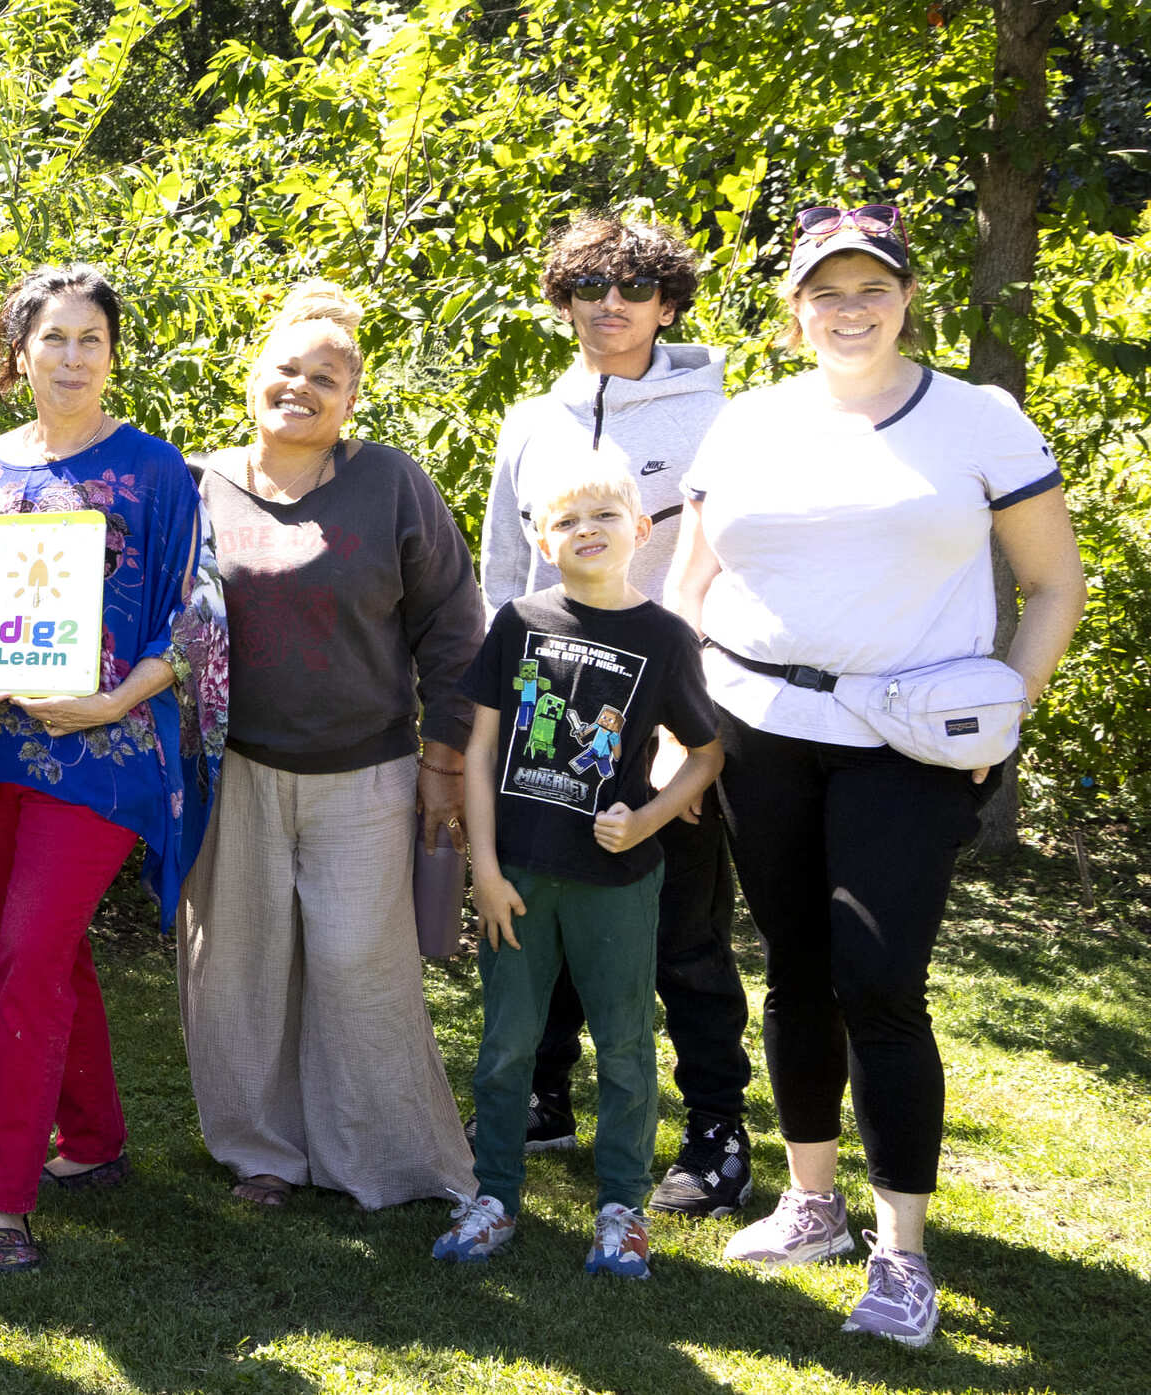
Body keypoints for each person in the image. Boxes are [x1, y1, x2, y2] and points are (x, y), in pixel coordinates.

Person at [670, 205, 1084, 1346]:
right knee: (796, 971)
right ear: (793, 309)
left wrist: (1008, 708)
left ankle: (901, 1255)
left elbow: (1054, 583)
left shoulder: (977, 420)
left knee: (880, 981)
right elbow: (688, 588)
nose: (848, 310)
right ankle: (812, 1205)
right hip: (758, 726)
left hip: (911, 742)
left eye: (871, 289)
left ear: (905, 299)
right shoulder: (747, 422)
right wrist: (682, 728)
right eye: (824, 292)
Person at [0, 265, 229, 1273]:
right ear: (20, 351)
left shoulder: (156, 471)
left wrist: (116, 701)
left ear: (113, 354)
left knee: (29, 955)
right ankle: (92, 1140)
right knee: (41, 950)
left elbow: (200, 614)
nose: (73, 357)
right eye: (54, 338)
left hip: (106, 754)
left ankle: (3, 1202)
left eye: (92, 339)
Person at [178, 279, 483, 1212]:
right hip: (232, 770)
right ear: (250, 378)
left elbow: (454, 624)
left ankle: (380, 1160)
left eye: (325, 377)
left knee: (361, 970)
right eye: (286, 369)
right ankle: (262, 1153)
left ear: (351, 397)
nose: (300, 388)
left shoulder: (391, 483)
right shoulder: (196, 485)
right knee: (238, 971)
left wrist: (444, 758)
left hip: (369, 769)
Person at [477, 212, 757, 1218]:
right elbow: (502, 571)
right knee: (546, 907)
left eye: (633, 288)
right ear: (563, 303)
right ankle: (545, 1095)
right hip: (547, 726)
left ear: (667, 304)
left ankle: (716, 1129)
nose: (610, 306)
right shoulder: (530, 420)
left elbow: (738, 570)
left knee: (683, 935)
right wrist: (498, 717)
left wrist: (689, 735)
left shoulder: (720, 416)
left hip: (671, 722)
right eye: (588, 288)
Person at [432, 460, 723, 1278]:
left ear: (642, 528)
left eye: (604, 514)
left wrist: (647, 818)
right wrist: (484, 871)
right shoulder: (518, 622)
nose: (585, 529)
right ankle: (494, 1196)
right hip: (518, 879)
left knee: (625, 1046)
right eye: (565, 520)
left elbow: (706, 755)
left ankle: (622, 1208)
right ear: (541, 540)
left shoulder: (665, 638)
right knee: (505, 1045)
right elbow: (481, 750)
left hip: (616, 886)